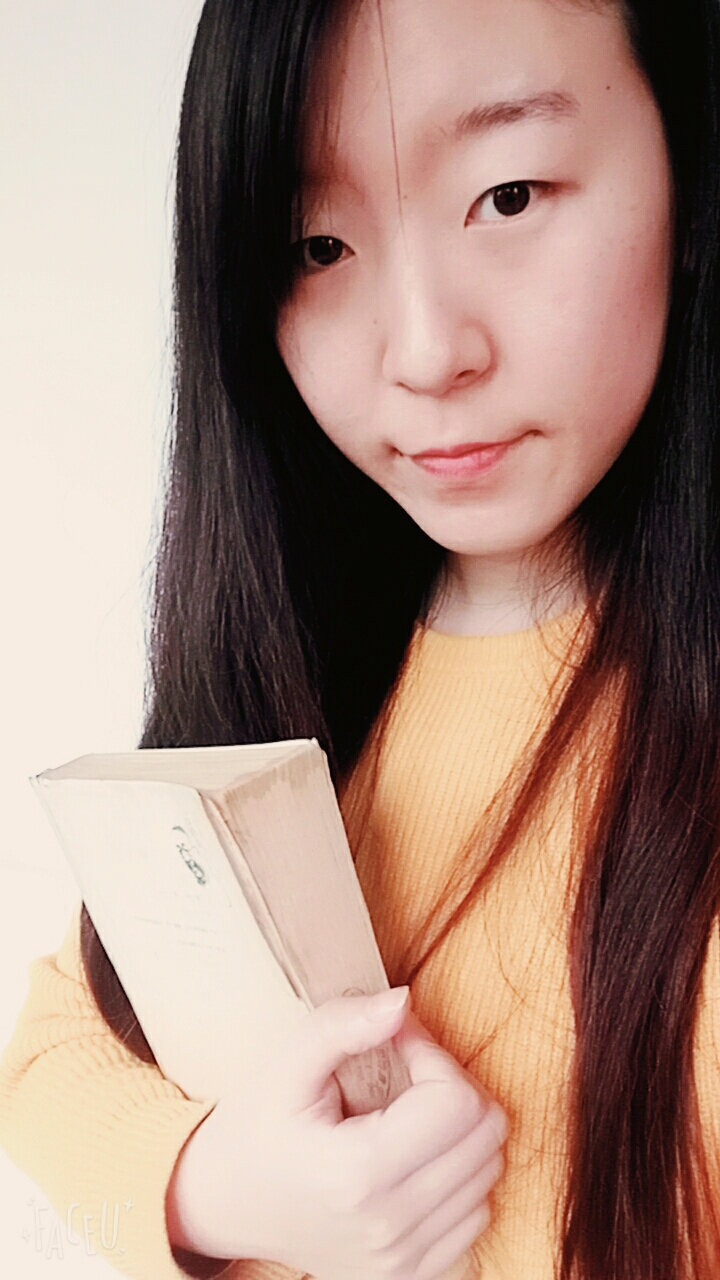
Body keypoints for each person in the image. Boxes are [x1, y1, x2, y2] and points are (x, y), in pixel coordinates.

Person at [2, 0, 720, 1277]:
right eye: (319, 243)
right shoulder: (312, 662)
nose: (426, 351)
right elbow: (61, 1036)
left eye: (508, 195)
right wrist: (213, 1188)